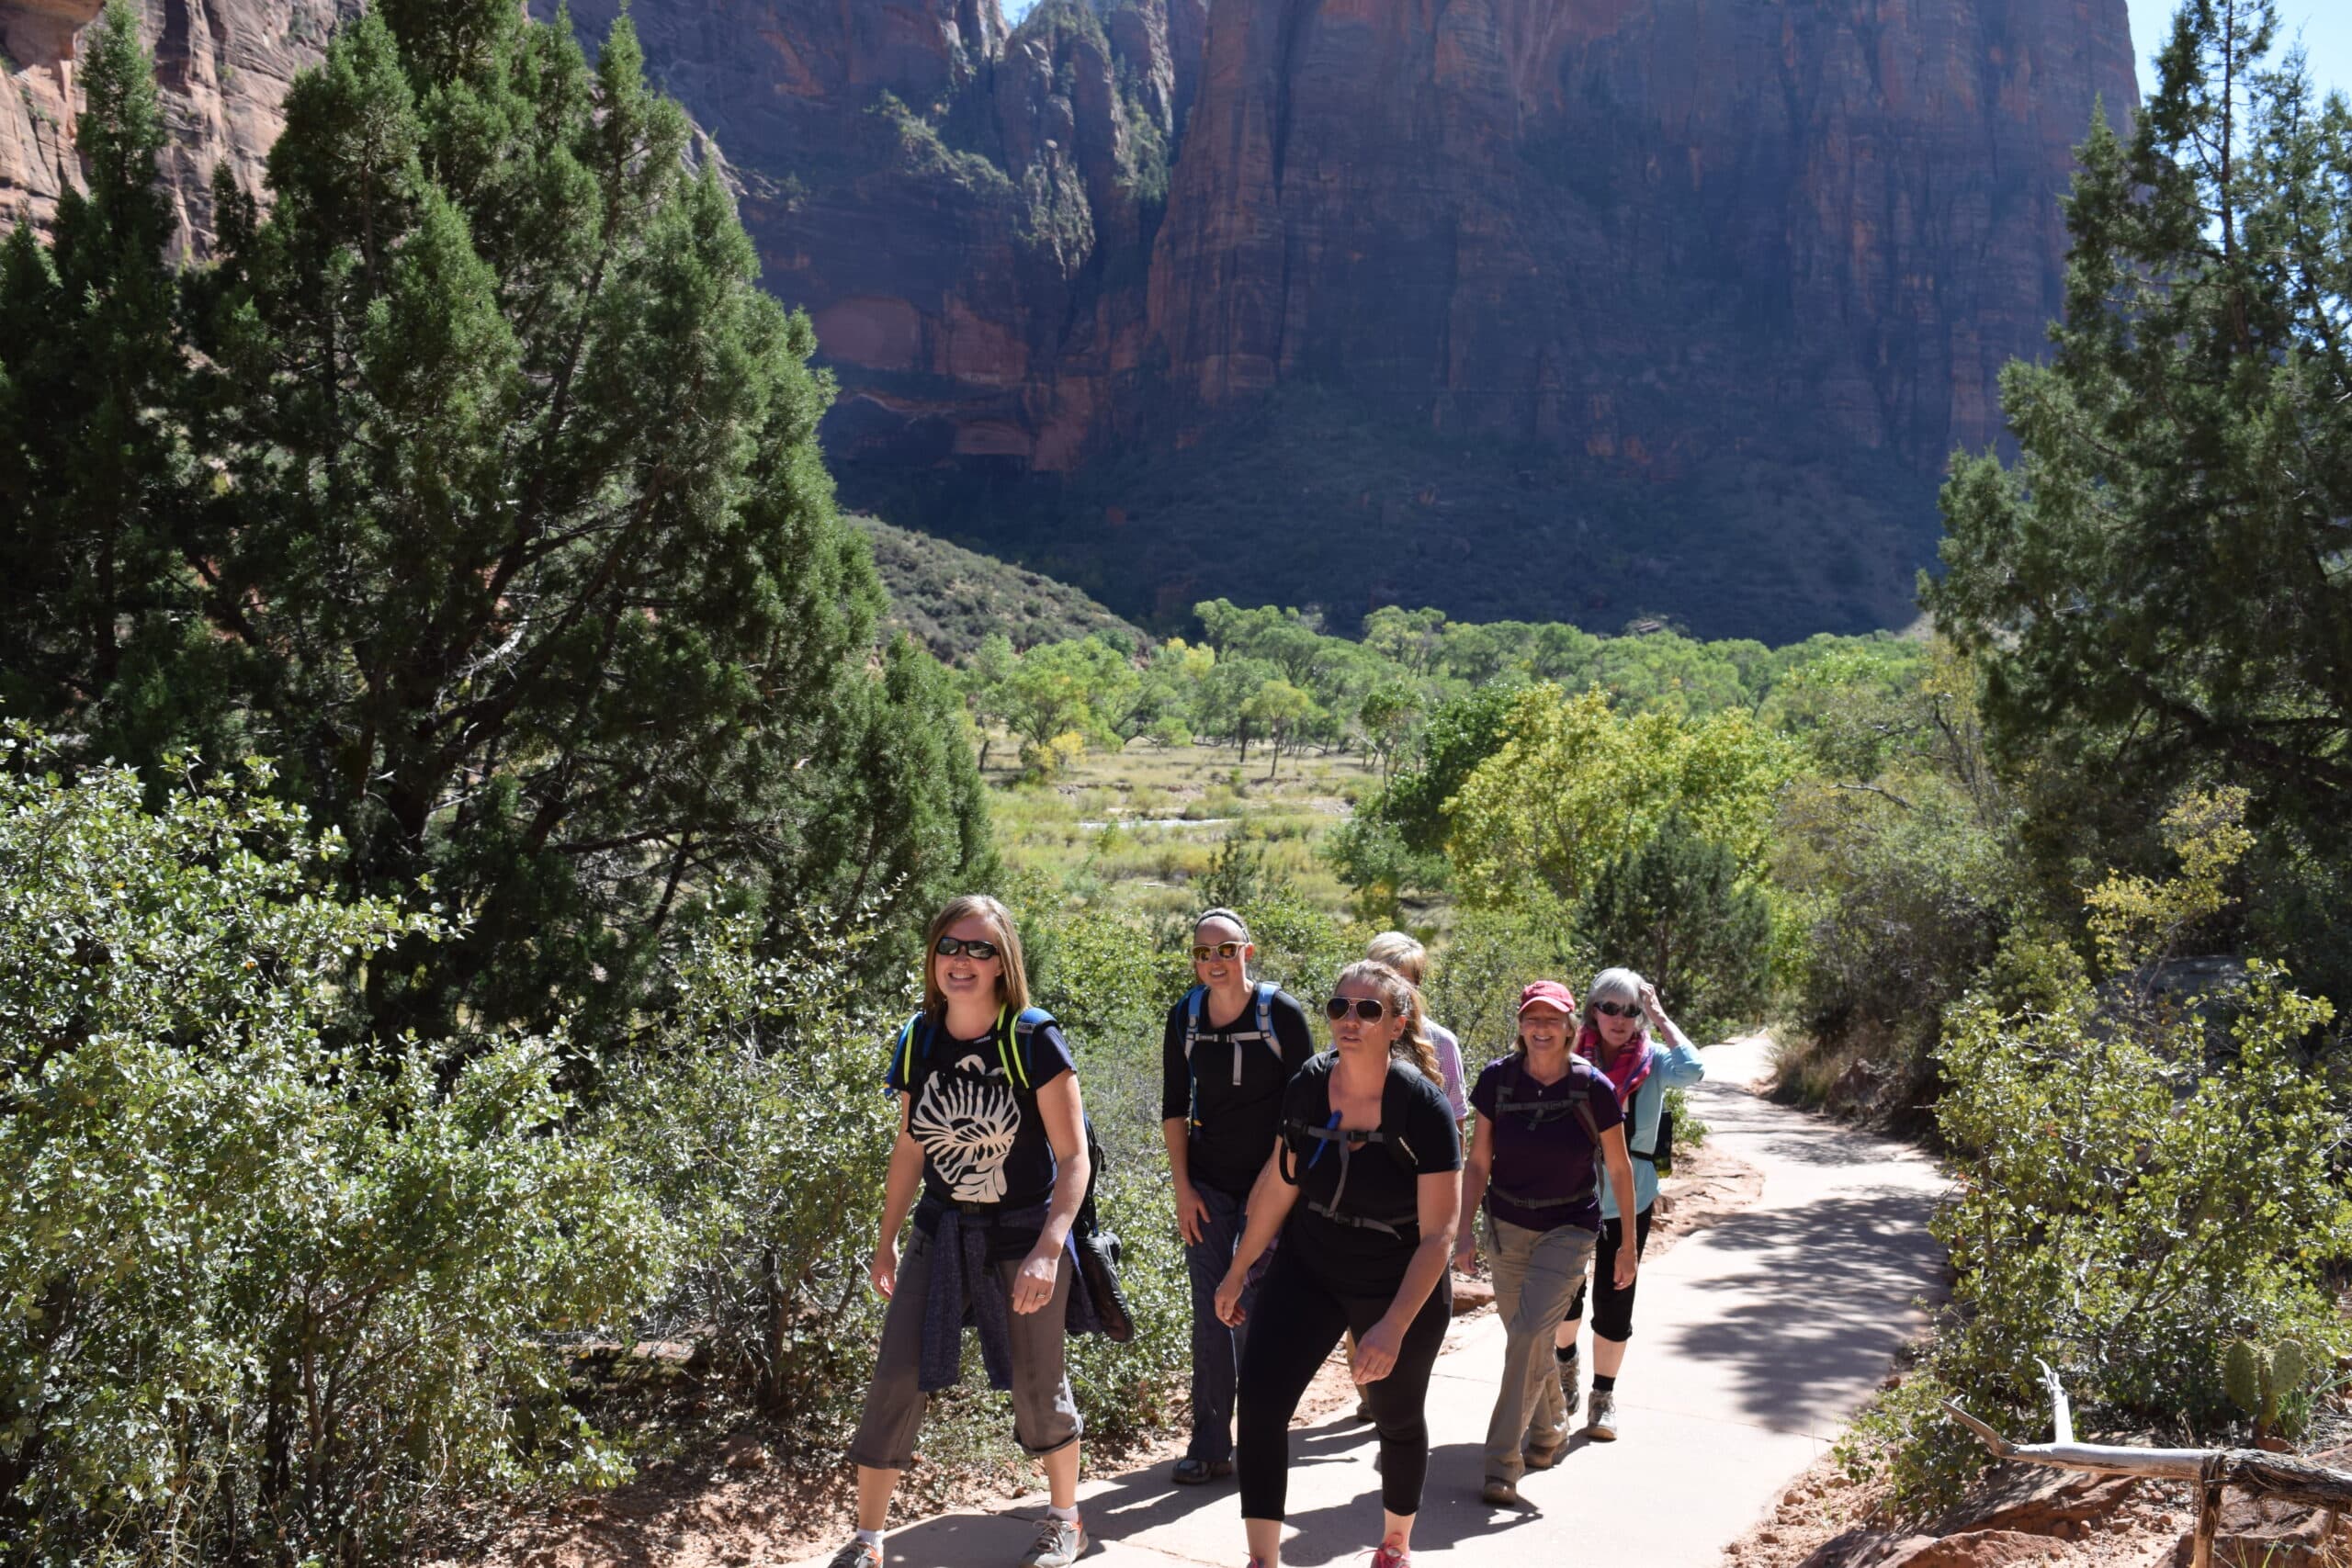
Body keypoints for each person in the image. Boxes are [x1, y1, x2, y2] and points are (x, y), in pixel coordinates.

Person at [828, 896, 1105, 1568]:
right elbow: (910, 1146)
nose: (963, 960)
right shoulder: (918, 1038)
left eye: (980, 949)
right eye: (952, 945)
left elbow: (1075, 1158)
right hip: (941, 1230)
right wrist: (886, 1236)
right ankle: (867, 1541)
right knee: (896, 1377)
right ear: (933, 955)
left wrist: (1048, 1250)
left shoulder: (1033, 1037)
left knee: (1040, 1388)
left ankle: (1066, 1521)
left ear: (1004, 962)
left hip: (1023, 1233)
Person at [1216, 960, 1463, 1568]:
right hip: (1312, 1263)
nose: (1350, 1020)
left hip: (1399, 1273)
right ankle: (1262, 1558)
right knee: (1264, 1404)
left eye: (1368, 1009)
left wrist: (1392, 1326)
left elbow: (1440, 1236)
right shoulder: (1308, 1083)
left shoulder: (1423, 1109)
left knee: (1396, 1415)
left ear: (1397, 1021)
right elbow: (1279, 1182)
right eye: (1339, 1008)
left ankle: (1395, 1544)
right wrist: (1239, 1266)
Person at [1455, 981, 1638, 1505]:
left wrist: (1626, 1245)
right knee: (1525, 1337)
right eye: (1532, 1019)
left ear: (1569, 1028)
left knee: (1532, 1330)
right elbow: (1479, 1162)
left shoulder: (1592, 1087)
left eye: (1552, 1020)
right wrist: (1464, 1228)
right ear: (1520, 1026)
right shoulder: (1498, 1080)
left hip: (1569, 1228)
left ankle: (1501, 1464)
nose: (1541, 1028)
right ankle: (1550, 1427)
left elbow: (1619, 1168)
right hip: (1508, 1226)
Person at [1161, 908, 1317, 1485]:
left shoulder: (1281, 1014)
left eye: (1225, 950)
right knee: (1211, 1314)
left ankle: (1260, 1434)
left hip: (1273, 1188)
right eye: (1203, 953)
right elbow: (1175, 1106)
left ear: (1247, 953)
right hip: (1207, 1186)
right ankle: (1208, 1444)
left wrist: (1271, 1186)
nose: (1214, 962)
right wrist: (1183, 1189)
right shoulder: (1185, 1017)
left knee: (1254, 1312)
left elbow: (1306, 1108)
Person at [1554, 967, 1707, 1441]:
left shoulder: (1654, 1061)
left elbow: (1694, 1070)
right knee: (1564, 1295)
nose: (1620, 1019)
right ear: (1593, 1011)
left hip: (1632, 1197)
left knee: (1616, 1297)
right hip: (1572, 1193)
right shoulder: (1568, 1058)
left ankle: (1603, 1396)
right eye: (1610, 1008)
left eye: (1630, 1011)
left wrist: (1660, 1016)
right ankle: (1565, 1367)